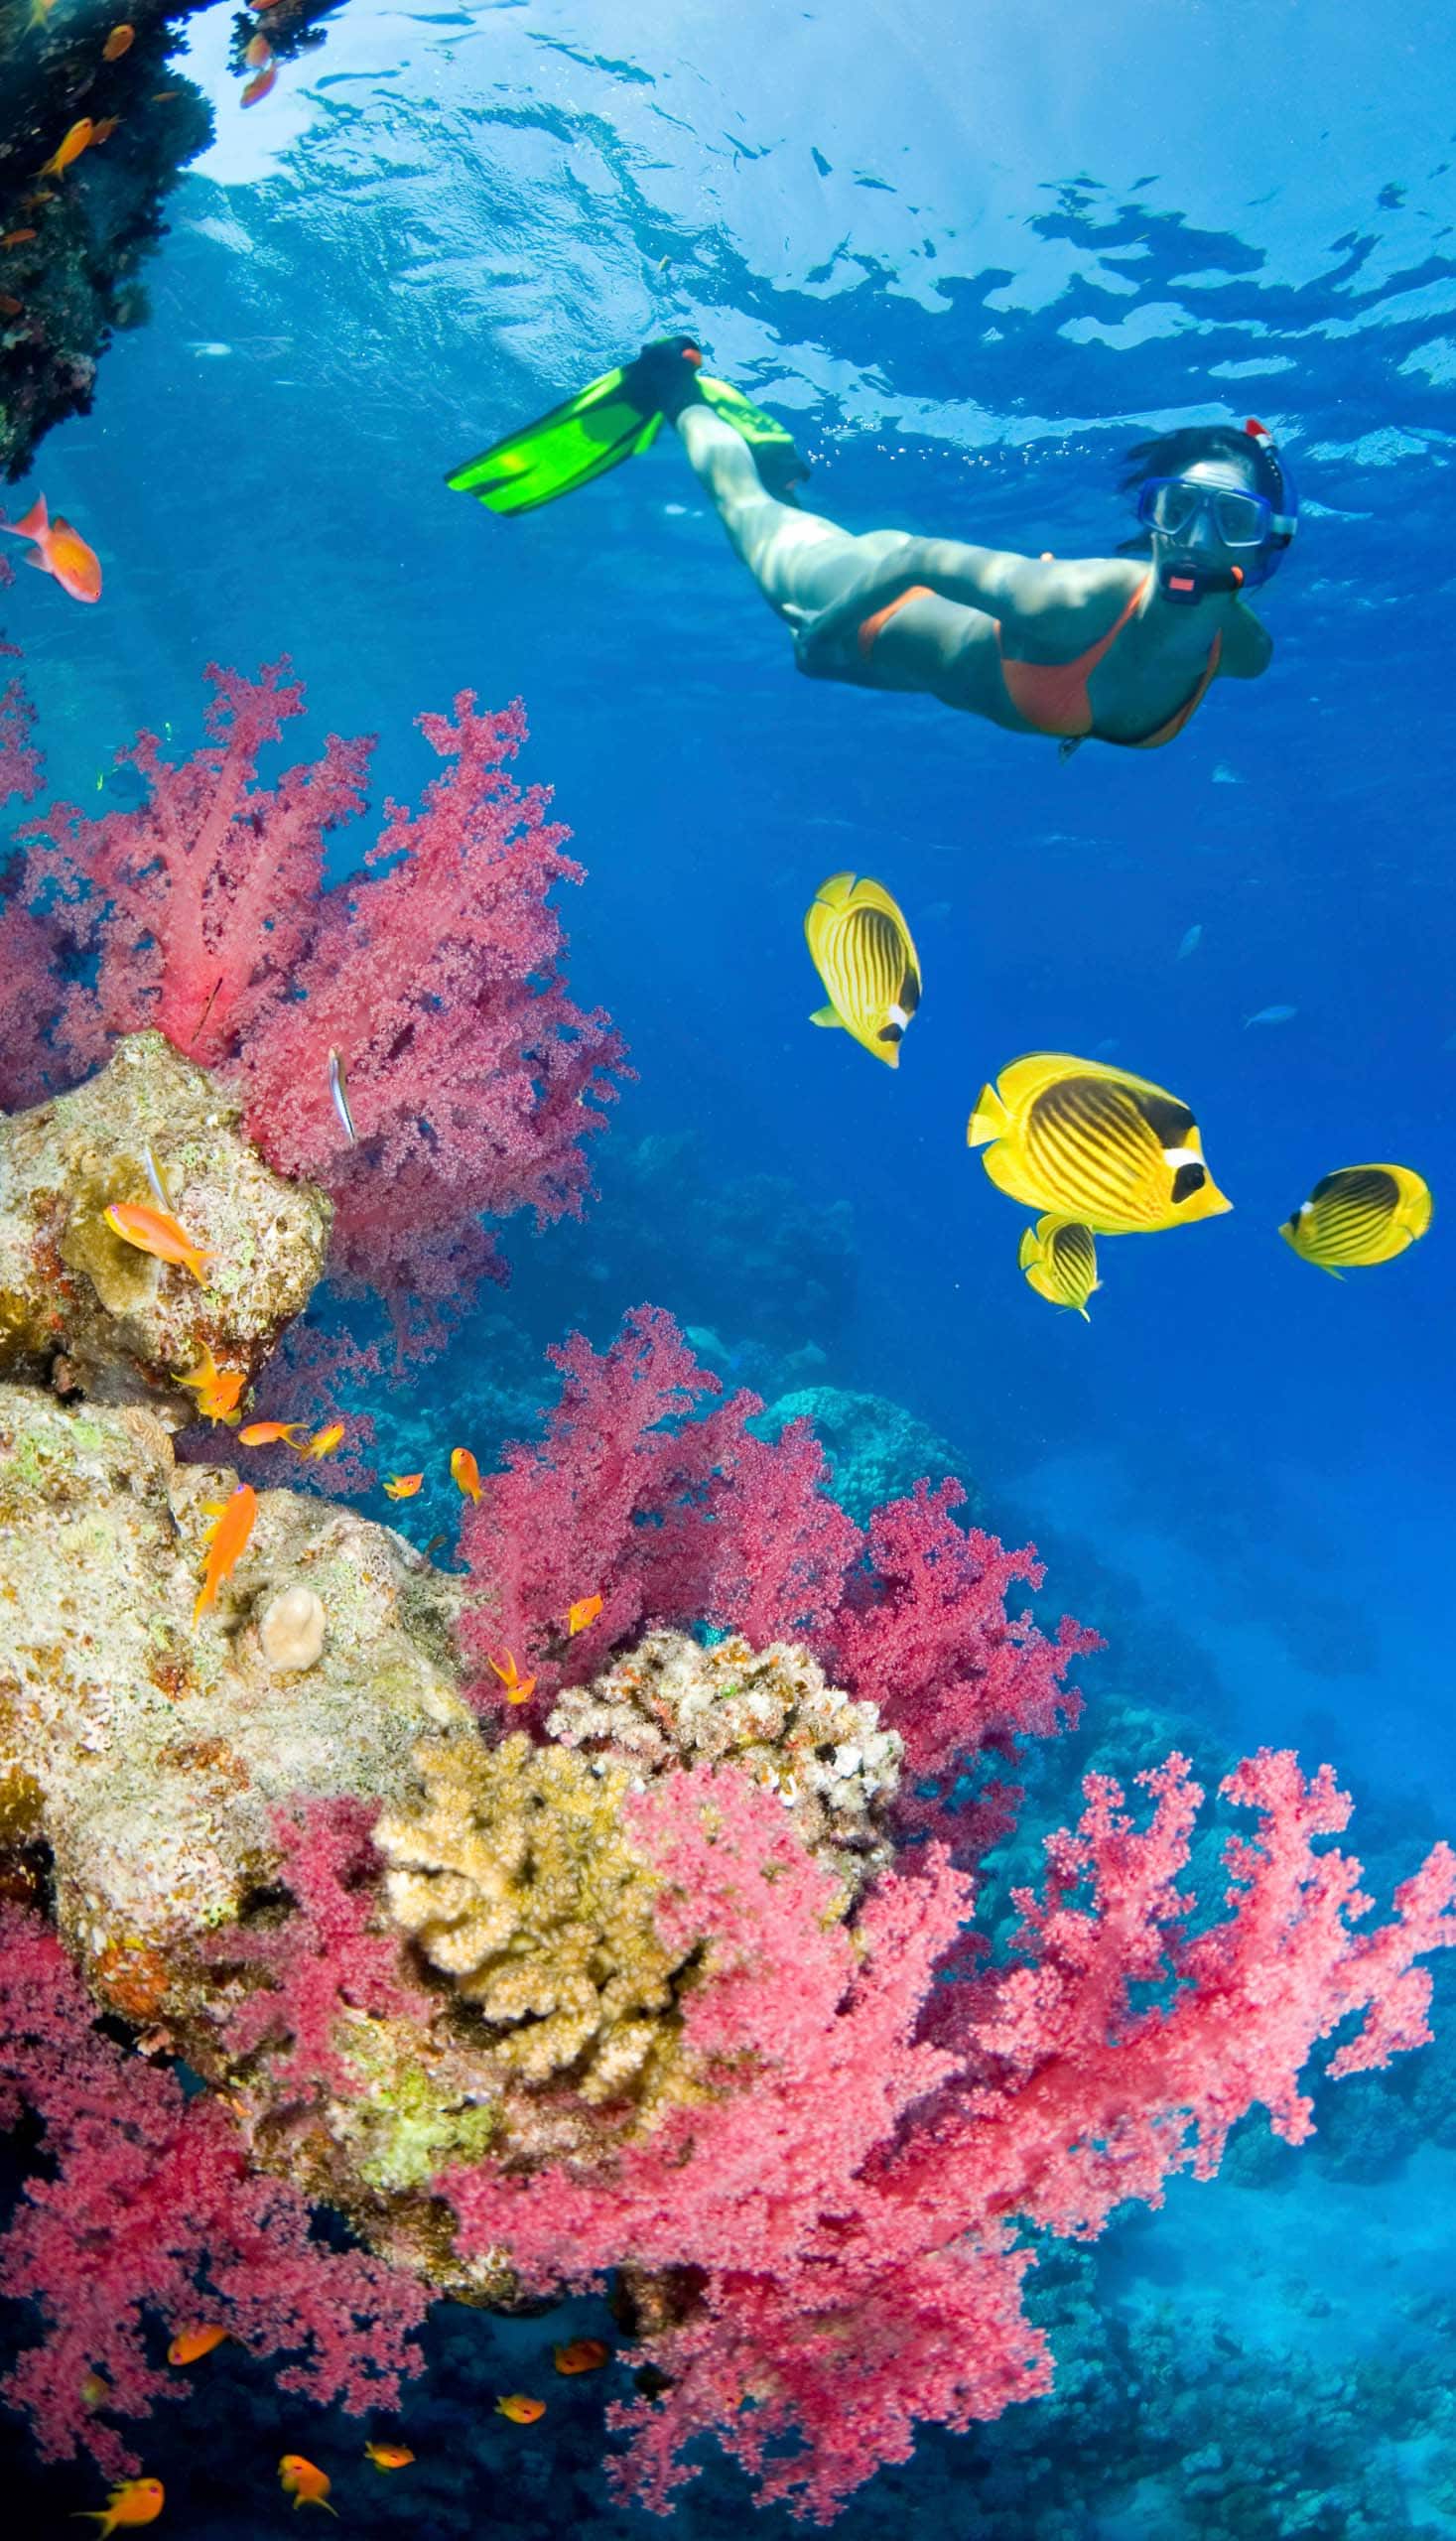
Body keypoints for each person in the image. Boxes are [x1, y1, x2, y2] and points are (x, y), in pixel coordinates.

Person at [448, 337, 1297, 756]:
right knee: (743, 508)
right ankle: (675, 386)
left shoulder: (1244, 653)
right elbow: (916, 558)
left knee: (778, 511)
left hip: (913, 652)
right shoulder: (1068, 601)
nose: (1194, 542)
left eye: (1230, 521)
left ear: (1267, 547)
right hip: (862, 598)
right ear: (1150, 519)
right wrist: (820, 637)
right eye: (1176, 510)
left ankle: (777, 478)